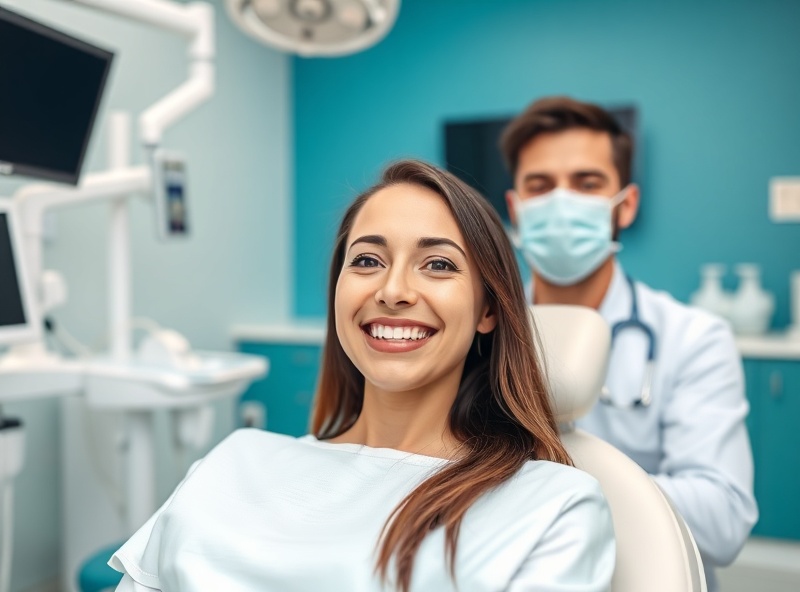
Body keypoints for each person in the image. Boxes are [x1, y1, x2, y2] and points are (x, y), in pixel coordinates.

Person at [109, 159, 615, 592]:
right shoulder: (231, 464)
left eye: (437, 264)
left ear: (488, 309)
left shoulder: (550, 506)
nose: (393, 290)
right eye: (368, 260)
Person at [501, 96, 758, 591]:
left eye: (587, 183)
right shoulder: (483, 334)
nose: (562, 200)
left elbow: (723, 520)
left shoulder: (692, 339)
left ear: (627, 204)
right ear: (515, 208)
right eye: (540, 185)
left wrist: (544, 483)